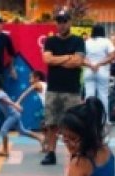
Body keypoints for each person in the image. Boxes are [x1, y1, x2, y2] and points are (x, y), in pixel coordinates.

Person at [41, 11, 85, 165]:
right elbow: (47, 59)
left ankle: (75, 153)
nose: (61, 24)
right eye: (59, 21)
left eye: (64, 21)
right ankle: (51, 153)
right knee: (51, 123)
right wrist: (67, 57)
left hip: (72, 89)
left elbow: (78, 61)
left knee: (73, 124)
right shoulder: (50, 41)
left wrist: (56, 60)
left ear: (70, 22)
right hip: (54, 88)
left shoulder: (78, 41)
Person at [0, 74, 43, 157]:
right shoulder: (0, 93)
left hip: (13, 116)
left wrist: (16, 106)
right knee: (23, 131)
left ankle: (5, 150)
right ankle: (40, 138)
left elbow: (7, 101)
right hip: (14, 115)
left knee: (3, 130)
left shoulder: (0, 95)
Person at [84, 24, 115, 120]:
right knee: (103, 96)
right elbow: (112, 56)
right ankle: (105, 119)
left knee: (89, 95)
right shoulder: (106, 42)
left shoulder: (87, 42)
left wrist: (91, 65)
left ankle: (88, 119)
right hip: (102, 71)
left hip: (89, 71)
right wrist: (99, 64)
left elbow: (82, 57)